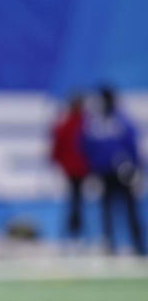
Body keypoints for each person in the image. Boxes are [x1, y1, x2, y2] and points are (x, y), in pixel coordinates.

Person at [82, 86, 145, 255]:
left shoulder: (122, 121)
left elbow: (132, 146)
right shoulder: (94, 123)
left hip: (124, 172)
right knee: (107, 210)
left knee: (130, 209)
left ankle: (139, 245)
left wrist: (137, 170)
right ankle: (109, 245)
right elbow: (87, 147)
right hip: (104, 173)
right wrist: (92, 170)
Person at [50, 94, 89, 240]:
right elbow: (58, 145)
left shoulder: (85, 124)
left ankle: (76, 233)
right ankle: (75, 233)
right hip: (75, 169)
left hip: (80, 169)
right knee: (75, 200)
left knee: (76, 200)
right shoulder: (73, 124)